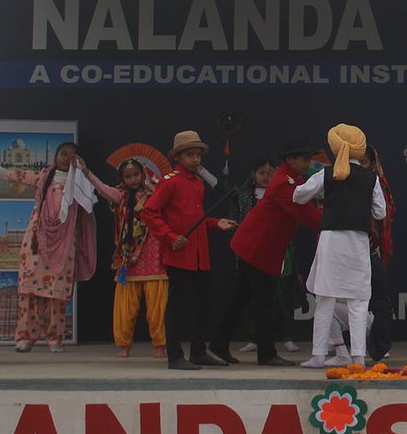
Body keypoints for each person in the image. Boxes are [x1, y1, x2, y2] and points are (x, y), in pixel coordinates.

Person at [0, 139, 102, 353]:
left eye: (72, 155)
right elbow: (7, 175)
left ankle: (55, 340)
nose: (67, 158)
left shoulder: (81, 185)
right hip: (37, 243)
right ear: (55, 157)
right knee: (29, 293)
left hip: (65, 244)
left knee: (57, 295)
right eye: (63, 153)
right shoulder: (42, 177)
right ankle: (25, 338)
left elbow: (93, 202)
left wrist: (84, 177)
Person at [211, 138, 324, 366]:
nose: (308, 163)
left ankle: (219, 344)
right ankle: (266, 353)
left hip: (256, 245)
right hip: (257, 247)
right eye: (304, 159)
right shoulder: (284, 183)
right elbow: (309, 217)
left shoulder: (292, 180)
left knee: (241, 298)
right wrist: (337, 217)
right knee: (263, 302)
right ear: (290, 160)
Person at [140, 130, 237, 371]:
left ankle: (198, 352)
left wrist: (215, 223)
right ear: (177, 157)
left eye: (198, 155)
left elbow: (194, 219)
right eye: (189, 155)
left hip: (199, 254)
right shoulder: (170, 181)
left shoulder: (197, 184)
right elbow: (149, 212)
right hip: (179, 255)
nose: (195, 159)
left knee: (205, 301)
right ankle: (174, 356)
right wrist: (170, 237)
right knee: (177, 305)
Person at [294, 124, 388, 368]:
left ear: (336, 147)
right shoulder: (370, 178)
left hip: (331, 242)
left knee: (325, 298)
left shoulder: (326, 174)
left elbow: (299, 196)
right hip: (357, 243)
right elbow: (381, 212)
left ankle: (318, 355)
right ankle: (358, 357)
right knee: (359, 301)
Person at [92, 157, 168, 358]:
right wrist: (86, 172)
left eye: (136, 175)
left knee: (157, 306)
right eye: (128, 176)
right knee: (126, 307)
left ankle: (160, 345)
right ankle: (124, 345)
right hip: (128, 253)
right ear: (122, 179)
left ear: (143, 175)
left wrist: (154, 190)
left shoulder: (155, 193)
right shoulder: (121, 196)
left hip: (153, 252)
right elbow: (102, 189)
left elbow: (170, 201)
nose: (133, 179)